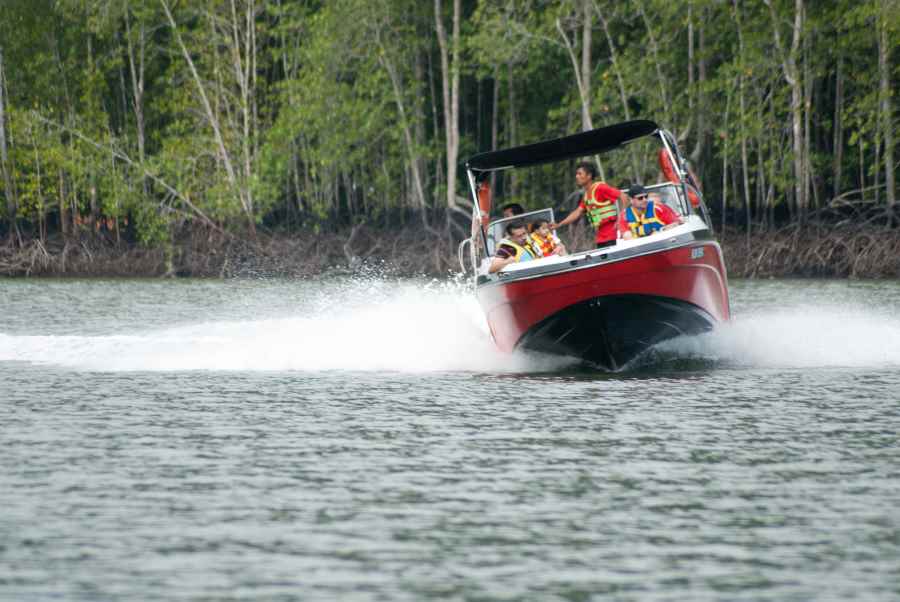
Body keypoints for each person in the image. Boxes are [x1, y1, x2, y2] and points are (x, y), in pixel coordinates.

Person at [551, 161, 627, 248]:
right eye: (576, 174)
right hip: (600, 238)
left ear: (589, 176)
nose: (577, 176)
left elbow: (623, 196)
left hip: (612, 235)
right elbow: (577, 212)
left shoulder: (600, 188)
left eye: (580, 174)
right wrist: (559, 224)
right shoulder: (586, 196)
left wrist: (621, 219)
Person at [618, 184, 684, 240]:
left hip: (663, 242)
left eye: (646, 197)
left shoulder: (659, 208)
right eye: (640, 198)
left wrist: (661, 232)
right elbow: (626, 236)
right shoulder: (624, 215)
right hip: (639, 247)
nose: (644, 200)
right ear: (631, 200)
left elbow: (676, 223)